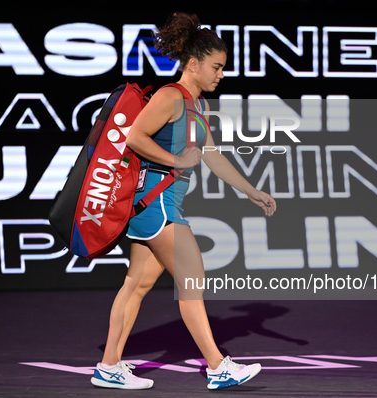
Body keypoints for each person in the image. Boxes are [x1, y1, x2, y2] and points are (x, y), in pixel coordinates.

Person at [90, 12, 277, 391]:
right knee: (192, 281)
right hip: (156, 202)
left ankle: (108, 367)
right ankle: (218, 366)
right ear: (193, 64)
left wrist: (252, 191)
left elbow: (211, 155)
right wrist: (176, 160)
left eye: (222, 68)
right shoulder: (170, 96)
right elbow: (134, 137)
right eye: (216, 67)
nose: (220, 75)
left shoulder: (198, 107)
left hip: (158, 205)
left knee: (136, 286)